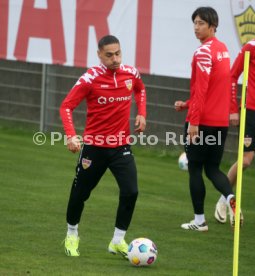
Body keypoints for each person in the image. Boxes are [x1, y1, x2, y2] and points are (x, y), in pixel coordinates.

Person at [59, 35, 146, 257]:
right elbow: (66, 106)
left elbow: (140, 89)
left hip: (121, 147)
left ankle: (117, 241)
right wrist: (71, 135)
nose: (115, 59)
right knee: (80, 193)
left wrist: (142, 114)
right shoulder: (90, 78)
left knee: (131, 191)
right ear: (99, 55)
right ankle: (72, 234)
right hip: (94, 148)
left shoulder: (130, 73)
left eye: (118, 53)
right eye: (109, 55)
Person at [174, 7, 236, 231]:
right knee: (213, 169)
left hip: (202, 123)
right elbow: (214, 89)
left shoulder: (202, 53)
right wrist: (188, 104)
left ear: (212, 25)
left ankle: (199, 221)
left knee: (195, 170)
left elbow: (201, 90)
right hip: (220, 123)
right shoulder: (224, 50)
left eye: (201, 23)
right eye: (195, 23)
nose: (196, 28)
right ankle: (230, 198)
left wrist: (193, 120)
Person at [214, 38, 255, 226]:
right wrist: (232, 109)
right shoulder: (251, 47)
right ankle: (225, 200)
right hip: (251, 110)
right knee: (245, 160)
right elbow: (232, 76)